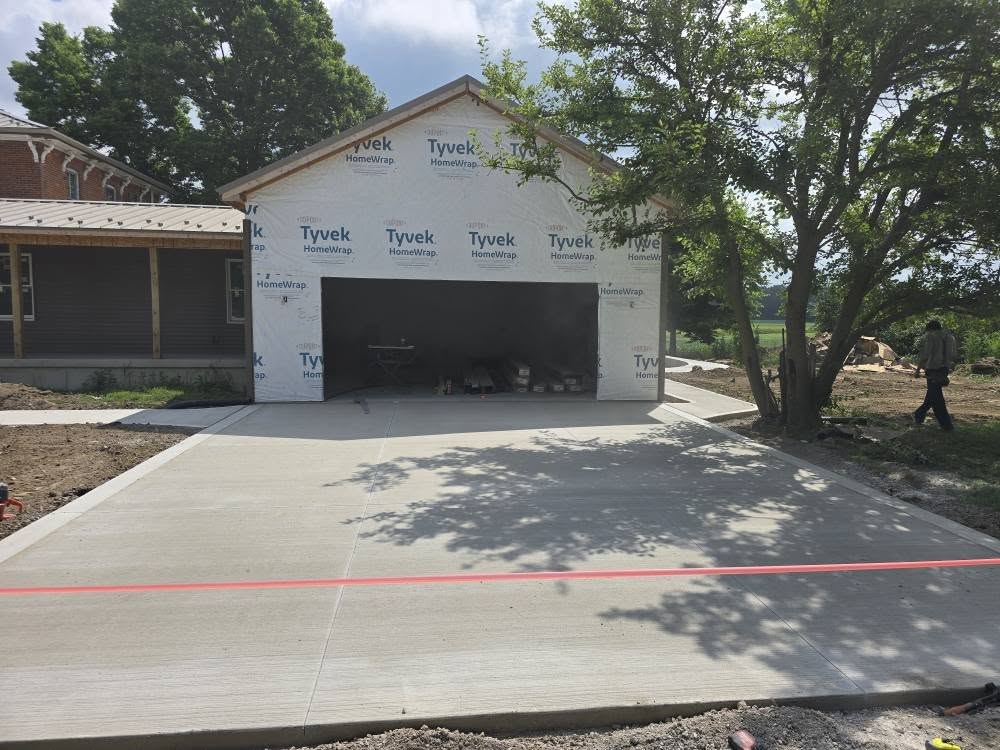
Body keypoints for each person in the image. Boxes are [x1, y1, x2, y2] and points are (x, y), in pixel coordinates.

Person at [913, 320, 957, 431]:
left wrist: (918, 370)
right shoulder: (950, 337)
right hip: (944, 369)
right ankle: (919, 415)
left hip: (933, 369)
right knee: (933, 394)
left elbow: (926, 354)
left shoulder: (931, 336)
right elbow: (953, 355)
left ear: (930, 329)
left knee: (937, 398)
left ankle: (946, 425)